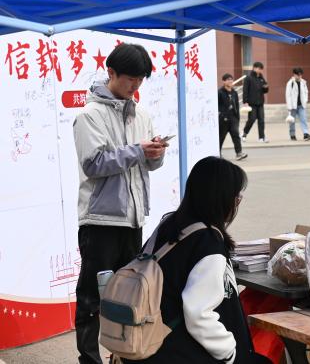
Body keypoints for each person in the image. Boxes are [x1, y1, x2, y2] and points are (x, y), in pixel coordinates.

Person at [123, 157, 269, 364]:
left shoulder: (169, 225)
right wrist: (230, 353)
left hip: (148, 344)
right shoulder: (208, 243)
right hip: (178, 350)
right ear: (222, 197)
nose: (238, 201)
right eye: (237, 196)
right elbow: (199, 315)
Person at [73, 43, 167, 364]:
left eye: (140, 80)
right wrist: (139, 151)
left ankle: (124, 356)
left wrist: (155, 153)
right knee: (92, 297)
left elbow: (149, 165)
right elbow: (94, 163)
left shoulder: (142, 114)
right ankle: (90, 359)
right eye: (130, 79)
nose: (135, 85)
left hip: (133, 219)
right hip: (100, 221)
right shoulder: (89, 116)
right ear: (111, 72)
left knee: (130, 296)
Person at [218, 73, 247, 160]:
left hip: (233, 118)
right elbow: (217, 105)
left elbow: (237, 105)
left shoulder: (234, 92)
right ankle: (218, 154)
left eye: (231, 79)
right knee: (221, 137)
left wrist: (237, 118)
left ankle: (239, 153)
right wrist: (221, 115)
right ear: (224, 81)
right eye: (228, 79)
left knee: (236, 135)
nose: (230, 81)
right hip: (223, 119)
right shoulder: (220, 92)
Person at [241, 62, 269, 143]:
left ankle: (261, 137)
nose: (260, 70)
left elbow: (265, 90)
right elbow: (245, 90)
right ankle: (244, 134)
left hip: (260, 103)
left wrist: (266, 87)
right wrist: (245, 101)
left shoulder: (261, 78)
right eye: (259, 68)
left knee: (261, 120)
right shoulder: (248, 78)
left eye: (261, 69)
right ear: (254, 68)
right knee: (252, 119)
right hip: (251, 103)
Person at [285, 67, 310, 141]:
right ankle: (292, 134)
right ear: (294, 74)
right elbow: (288, 95)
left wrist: (305, 100)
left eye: (300, 75)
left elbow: (306, 92)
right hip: (293, 106)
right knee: (292, 121)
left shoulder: (303, 82)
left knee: (303, 119)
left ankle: (306, 134)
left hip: (301, 105)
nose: (300, 76)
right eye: (298, 75)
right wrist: (289, 106)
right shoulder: (290, 83)